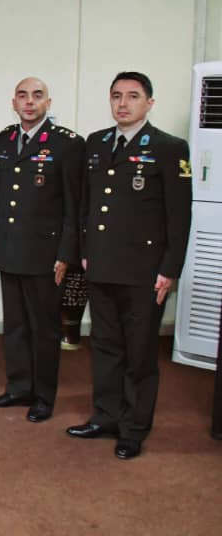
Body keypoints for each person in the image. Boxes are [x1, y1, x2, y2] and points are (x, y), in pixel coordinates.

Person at [67, 71, 192, 460]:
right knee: (104, 346)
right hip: (101, 264)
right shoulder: (97, 142)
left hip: (144, 271)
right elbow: (88, 204)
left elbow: (179, 216)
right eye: (117, 96)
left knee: (139, 352)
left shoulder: (170, 148)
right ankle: (105, 416)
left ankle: (133, 427)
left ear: (149, 103)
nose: (123, 103)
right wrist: (85, 250)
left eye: (133, 96)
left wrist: (170, 270)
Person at [0, 77, 84, 422]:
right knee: (15, 325)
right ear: (14, 103)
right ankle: (18, 387)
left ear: (48, 103)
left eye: (37, 96)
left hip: (46, 253)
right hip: (11, 248)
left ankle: (43, 396)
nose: (29, 102)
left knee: (44, 329)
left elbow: (74, 206)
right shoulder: (3, 140)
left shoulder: (67, 144)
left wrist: (66, 254)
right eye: (23, 96)